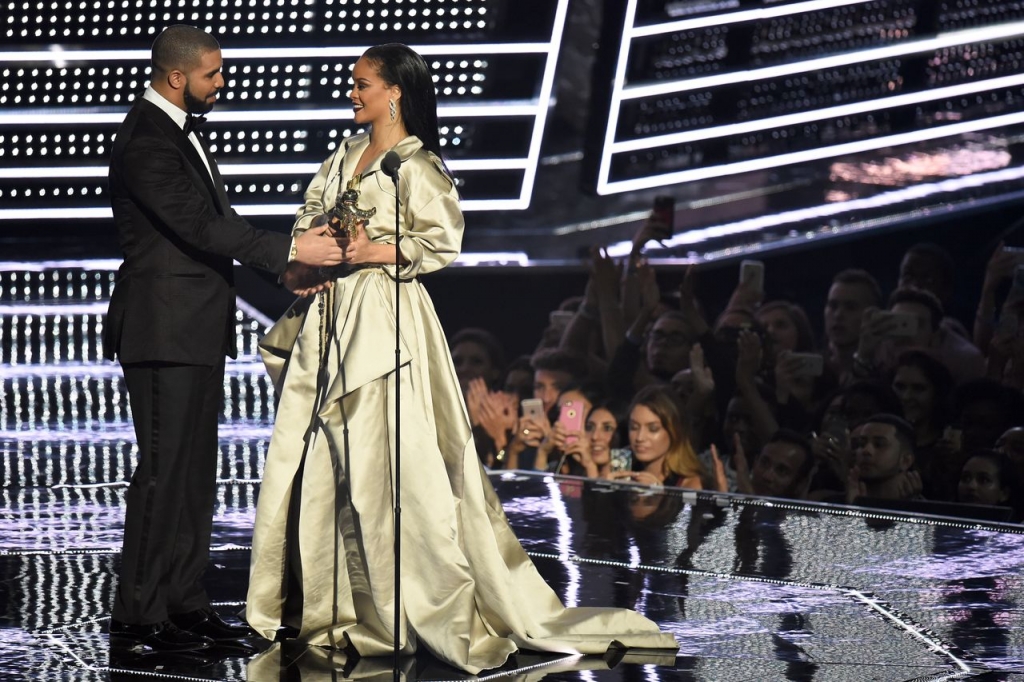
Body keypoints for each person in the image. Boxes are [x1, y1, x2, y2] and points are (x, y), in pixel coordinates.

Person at [245, 43, 677, 674]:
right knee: (325, 464)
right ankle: (330, 607)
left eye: (362, 83)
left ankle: (393, 610)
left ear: (394, 92)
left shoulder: (417, 166)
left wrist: (366, 251)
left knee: (384, 470)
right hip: (331, 318)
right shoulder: (343, 154)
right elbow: (311, 213)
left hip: (385, 323)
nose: (352, 92)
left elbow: (441, 243)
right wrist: (316, 248)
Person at [103, 25, 344, 656]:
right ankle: (138, 616)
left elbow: (218, 224)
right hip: (163, 328)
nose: (222, 83)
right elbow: (196, 225)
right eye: (214, 74)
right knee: (163, 473)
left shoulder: (184, 134)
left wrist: (284, 268)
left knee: (193, 475)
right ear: (178, 77)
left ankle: (184, 604)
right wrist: (292, 247)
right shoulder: (146, 142)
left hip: (195, 328)